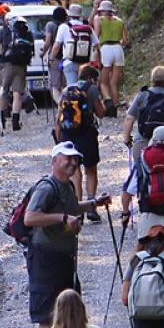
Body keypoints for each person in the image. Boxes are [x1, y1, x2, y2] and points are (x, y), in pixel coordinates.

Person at [23, 143, 111, 328]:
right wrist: (63, 219)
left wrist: (93, 203)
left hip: (63, 257)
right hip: (44, 256)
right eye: (69, 159)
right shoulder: (46, 187)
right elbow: (30, 217)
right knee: (46, 315)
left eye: (76, 160)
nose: (73, 163)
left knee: (67, 307)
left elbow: (71, 209)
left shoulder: (68, 186)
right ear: (55, 160)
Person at [53, 64, 106, 220]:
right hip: (86, 134)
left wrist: (58, 140)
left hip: (68, 135)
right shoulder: (92, 89)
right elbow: (101, 113)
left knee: (74, 171)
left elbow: (59, 118)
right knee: (91, 169)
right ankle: (90, 205)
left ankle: (77, 208)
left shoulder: (67, 90)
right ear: (91, 78)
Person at [123, 66, 164, 153]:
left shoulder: (142, 95)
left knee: (140, 164)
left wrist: (127, 138)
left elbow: (129, 118)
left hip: (143, 140)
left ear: (153, 79)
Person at [0, 13, 34, 131]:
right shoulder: (27, 32)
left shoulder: (4, 30)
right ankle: (15, 122)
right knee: (17, 93)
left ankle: (1, 120)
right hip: (22, 66)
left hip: (6, 64)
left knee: (1, 90)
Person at [92, 0, 128, 114]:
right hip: (118, 48)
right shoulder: (120, 21)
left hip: (105, 48)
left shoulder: (99, 20)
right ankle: (115, 105)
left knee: (104, 81)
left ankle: (108, 102)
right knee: (114, 82)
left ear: (102, 11)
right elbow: (125, 40)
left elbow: (96, 37)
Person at [54, 3, 95, 85]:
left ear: (69, 15)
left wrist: (51, 58)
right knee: (84, 88)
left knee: (73, 88)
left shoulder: (63, 27)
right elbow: (96, 44)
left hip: (69, 62)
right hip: (84, 63)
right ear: (80, 15)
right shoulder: (87, 27)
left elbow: (56, 46)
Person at [42, 5, 69, 101]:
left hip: (55, 57)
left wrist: (43, 53)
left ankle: (60, 106)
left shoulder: (50, 25)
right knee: (65, 84)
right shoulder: (67, 26)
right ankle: (66, 104)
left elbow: (48, 42)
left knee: (54, 85)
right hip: (67, 56)